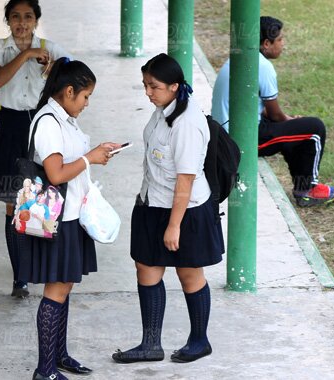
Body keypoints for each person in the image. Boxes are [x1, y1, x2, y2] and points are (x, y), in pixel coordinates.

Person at [112, 53, 224, 365]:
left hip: (184, 209)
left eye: (154, 86)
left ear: (174, 86)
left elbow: (185, 183)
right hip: (152, 202)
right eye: (145, 85)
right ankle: (150, 344)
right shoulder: (162, 110)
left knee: (189, 273)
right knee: (146, 267)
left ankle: (199, 341)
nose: (148, 92)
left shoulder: (187, 123)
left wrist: (174, 226)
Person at [19, 57, 121, 380]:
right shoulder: (49, 122)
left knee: (65, 287)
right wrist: (90, 158)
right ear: (68, 91)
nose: (87, 103)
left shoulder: (65, 116)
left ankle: (59, 355)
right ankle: (44, 370)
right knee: (56, 290)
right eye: (85, 96)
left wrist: (96, 153)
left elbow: (73, 160)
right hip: (58, 219)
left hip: (73, 215)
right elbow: (55, 172)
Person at [0, 0, 70, 298]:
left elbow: (76, 76)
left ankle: (43, 265)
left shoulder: (51, 47)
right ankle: (20, 275)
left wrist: (55, 68)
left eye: (28, 17)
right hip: (10, 126)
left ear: (37, 20)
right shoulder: (0, 47)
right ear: (7, 20)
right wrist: (26, 55)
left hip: (41, 124)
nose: (22, 22)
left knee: (45, 197)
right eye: (16, 17)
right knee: (14, 203)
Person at [211, 16, 334, 207]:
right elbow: (274, 115)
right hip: (242, 140)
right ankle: (308, 189)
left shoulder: (240, 57)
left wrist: (289, 122)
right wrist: (289, 120)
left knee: (294, 130)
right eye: (280, 39)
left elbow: (252, 105)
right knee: (314, 129)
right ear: (266, 43)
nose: (283, 44)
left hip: (227, 133)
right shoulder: (263, 67)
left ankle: (302, 187)